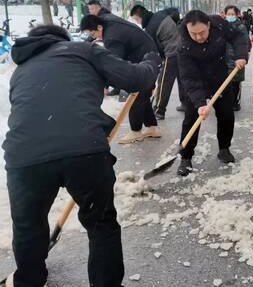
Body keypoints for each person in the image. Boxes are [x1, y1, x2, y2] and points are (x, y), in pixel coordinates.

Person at [3, 25, 160, 287]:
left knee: (28, 227)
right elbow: (135, 79)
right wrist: (151, 61)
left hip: (24, 160)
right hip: (83, 152)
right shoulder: (81, 50)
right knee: (101, 225)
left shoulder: (21, 70)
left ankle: (29, 280)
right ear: (61, 38)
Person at [176, 10, 248, 176]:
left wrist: (241, 55)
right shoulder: (183, 46)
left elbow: (237, 37)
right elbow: (189, 79)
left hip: (220, 78)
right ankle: (185, 158)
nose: (198, 37)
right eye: (193, 33)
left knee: (227, 116)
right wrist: (200, 104)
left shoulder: (219, 24)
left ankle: (224, 148)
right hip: (197, 82)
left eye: (202, 32)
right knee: (191, 119)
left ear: (208, 25)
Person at [80, 13, 161, 144]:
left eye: (93, 35)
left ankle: (136, 131)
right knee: (143, 95)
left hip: (145, 60)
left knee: (136, 94)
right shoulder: (107, 20)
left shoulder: (112, 38)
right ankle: (152, 127)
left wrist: (104, 85)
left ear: (99, 27)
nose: (93, 38)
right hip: (149, 53)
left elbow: (113, 65)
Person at [129, 5, 186, 120]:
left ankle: (159, 110)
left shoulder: (151, 27)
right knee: (182, 78)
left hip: (172, 53)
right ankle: (185, 103)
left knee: (164, 82)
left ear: (140, 16)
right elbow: (174, 12)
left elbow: (155, 49)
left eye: (136, 19)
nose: (137, 22)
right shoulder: (160, 14)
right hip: (183, 49)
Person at [223, 5, 251, 111]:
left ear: (237, 14)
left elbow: (245, 42)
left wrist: (243, 56)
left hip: (236, 59)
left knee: (235, 83)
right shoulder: (222, 26)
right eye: (228, 14)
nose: (230, 16)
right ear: (225, 15)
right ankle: (226, 102)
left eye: (232, 14)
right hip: (224, 59)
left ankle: (235, 102)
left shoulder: (241, 27)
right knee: (225, 83)